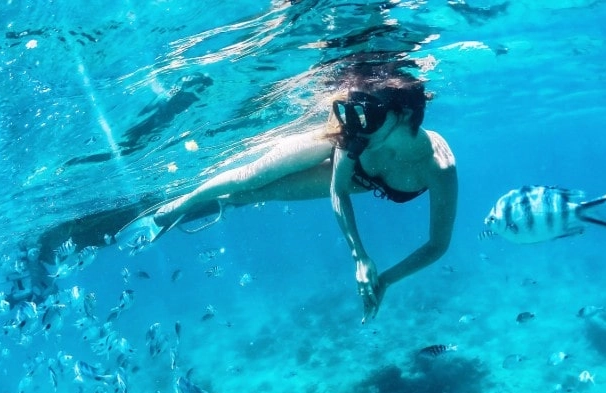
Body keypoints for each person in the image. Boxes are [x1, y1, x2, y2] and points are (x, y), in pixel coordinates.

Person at [120, 60, 457, 321]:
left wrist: (385, 279)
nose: (354, 123)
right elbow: (337, 190)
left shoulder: (438, 167)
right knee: (251, 177)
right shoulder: (355, 133)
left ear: (405, 114)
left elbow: (437, 245)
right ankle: (174, 208)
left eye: (366, 115)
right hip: (340, 159)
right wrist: (359, 254)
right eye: (350, 112)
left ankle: (216, 203)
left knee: (256, 194)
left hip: (364, 180)